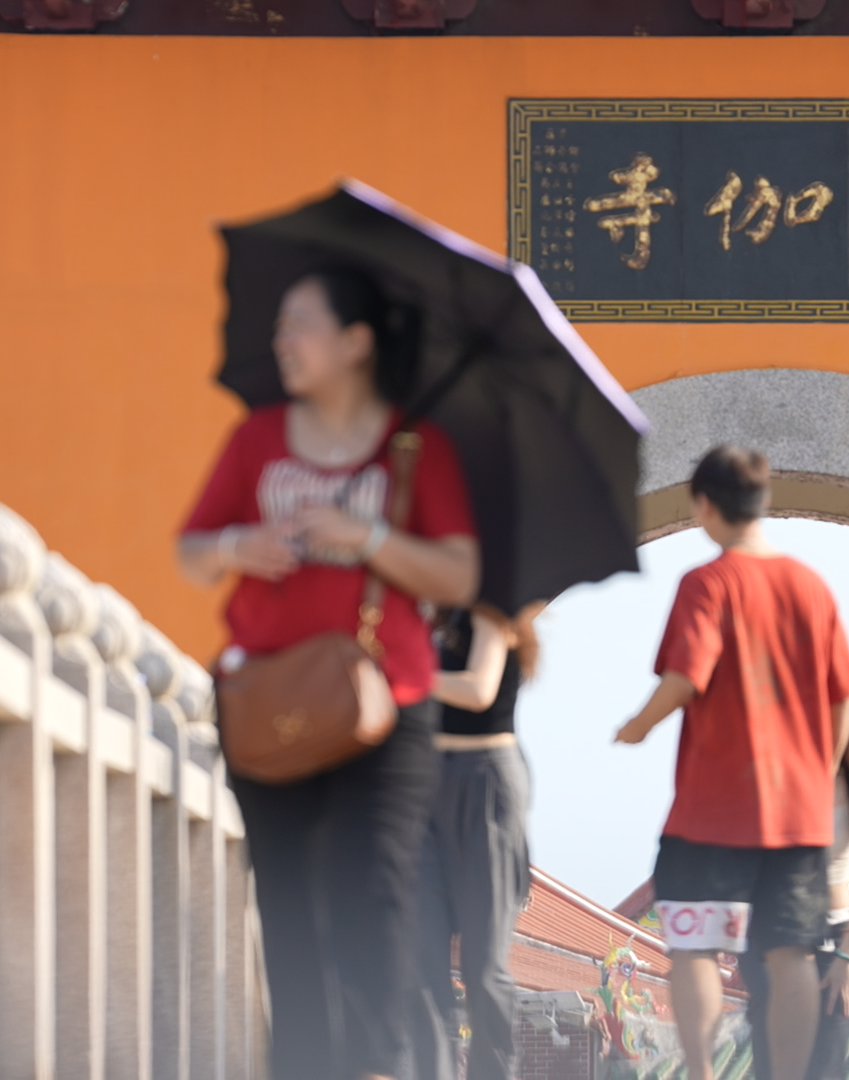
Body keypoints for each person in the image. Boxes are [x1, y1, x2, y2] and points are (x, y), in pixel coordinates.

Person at [177, 268, 479, 1080]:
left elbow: (456, 574)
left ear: (356, 342)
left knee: (372, 890)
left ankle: (378, 1067)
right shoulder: (257, 438)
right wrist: (240, 545)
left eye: (300, 324)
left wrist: (369, 536)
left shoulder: (416, 448)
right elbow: (190, 550)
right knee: (288, 905)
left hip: (387, 704)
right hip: (266, 698)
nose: (283, 341)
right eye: (279, 326)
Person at [613, 446, 849, 1080]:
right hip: (797, 814)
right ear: (763, 502)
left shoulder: (709, 582)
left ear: (704, 505)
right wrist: (821, 772)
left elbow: (685, 678)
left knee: (694, 944)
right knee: (792, 954)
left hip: (712, 811)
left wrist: (637, 726)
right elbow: (843, 699)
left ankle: (701, 1074)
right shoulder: (812, 586)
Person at [412, 603, 541, 1080]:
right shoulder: (428, 617)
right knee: (423, 960)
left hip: (484, 783)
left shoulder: (491, 611)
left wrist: (405, 672)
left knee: (482, 966)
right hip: (426, 784)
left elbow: (478, 690)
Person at [742, 722, 849, 1080]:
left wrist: (848, 953)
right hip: (772, 932)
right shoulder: (775, 772)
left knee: (827, 1059)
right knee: (772, 1060)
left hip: (835, 936)